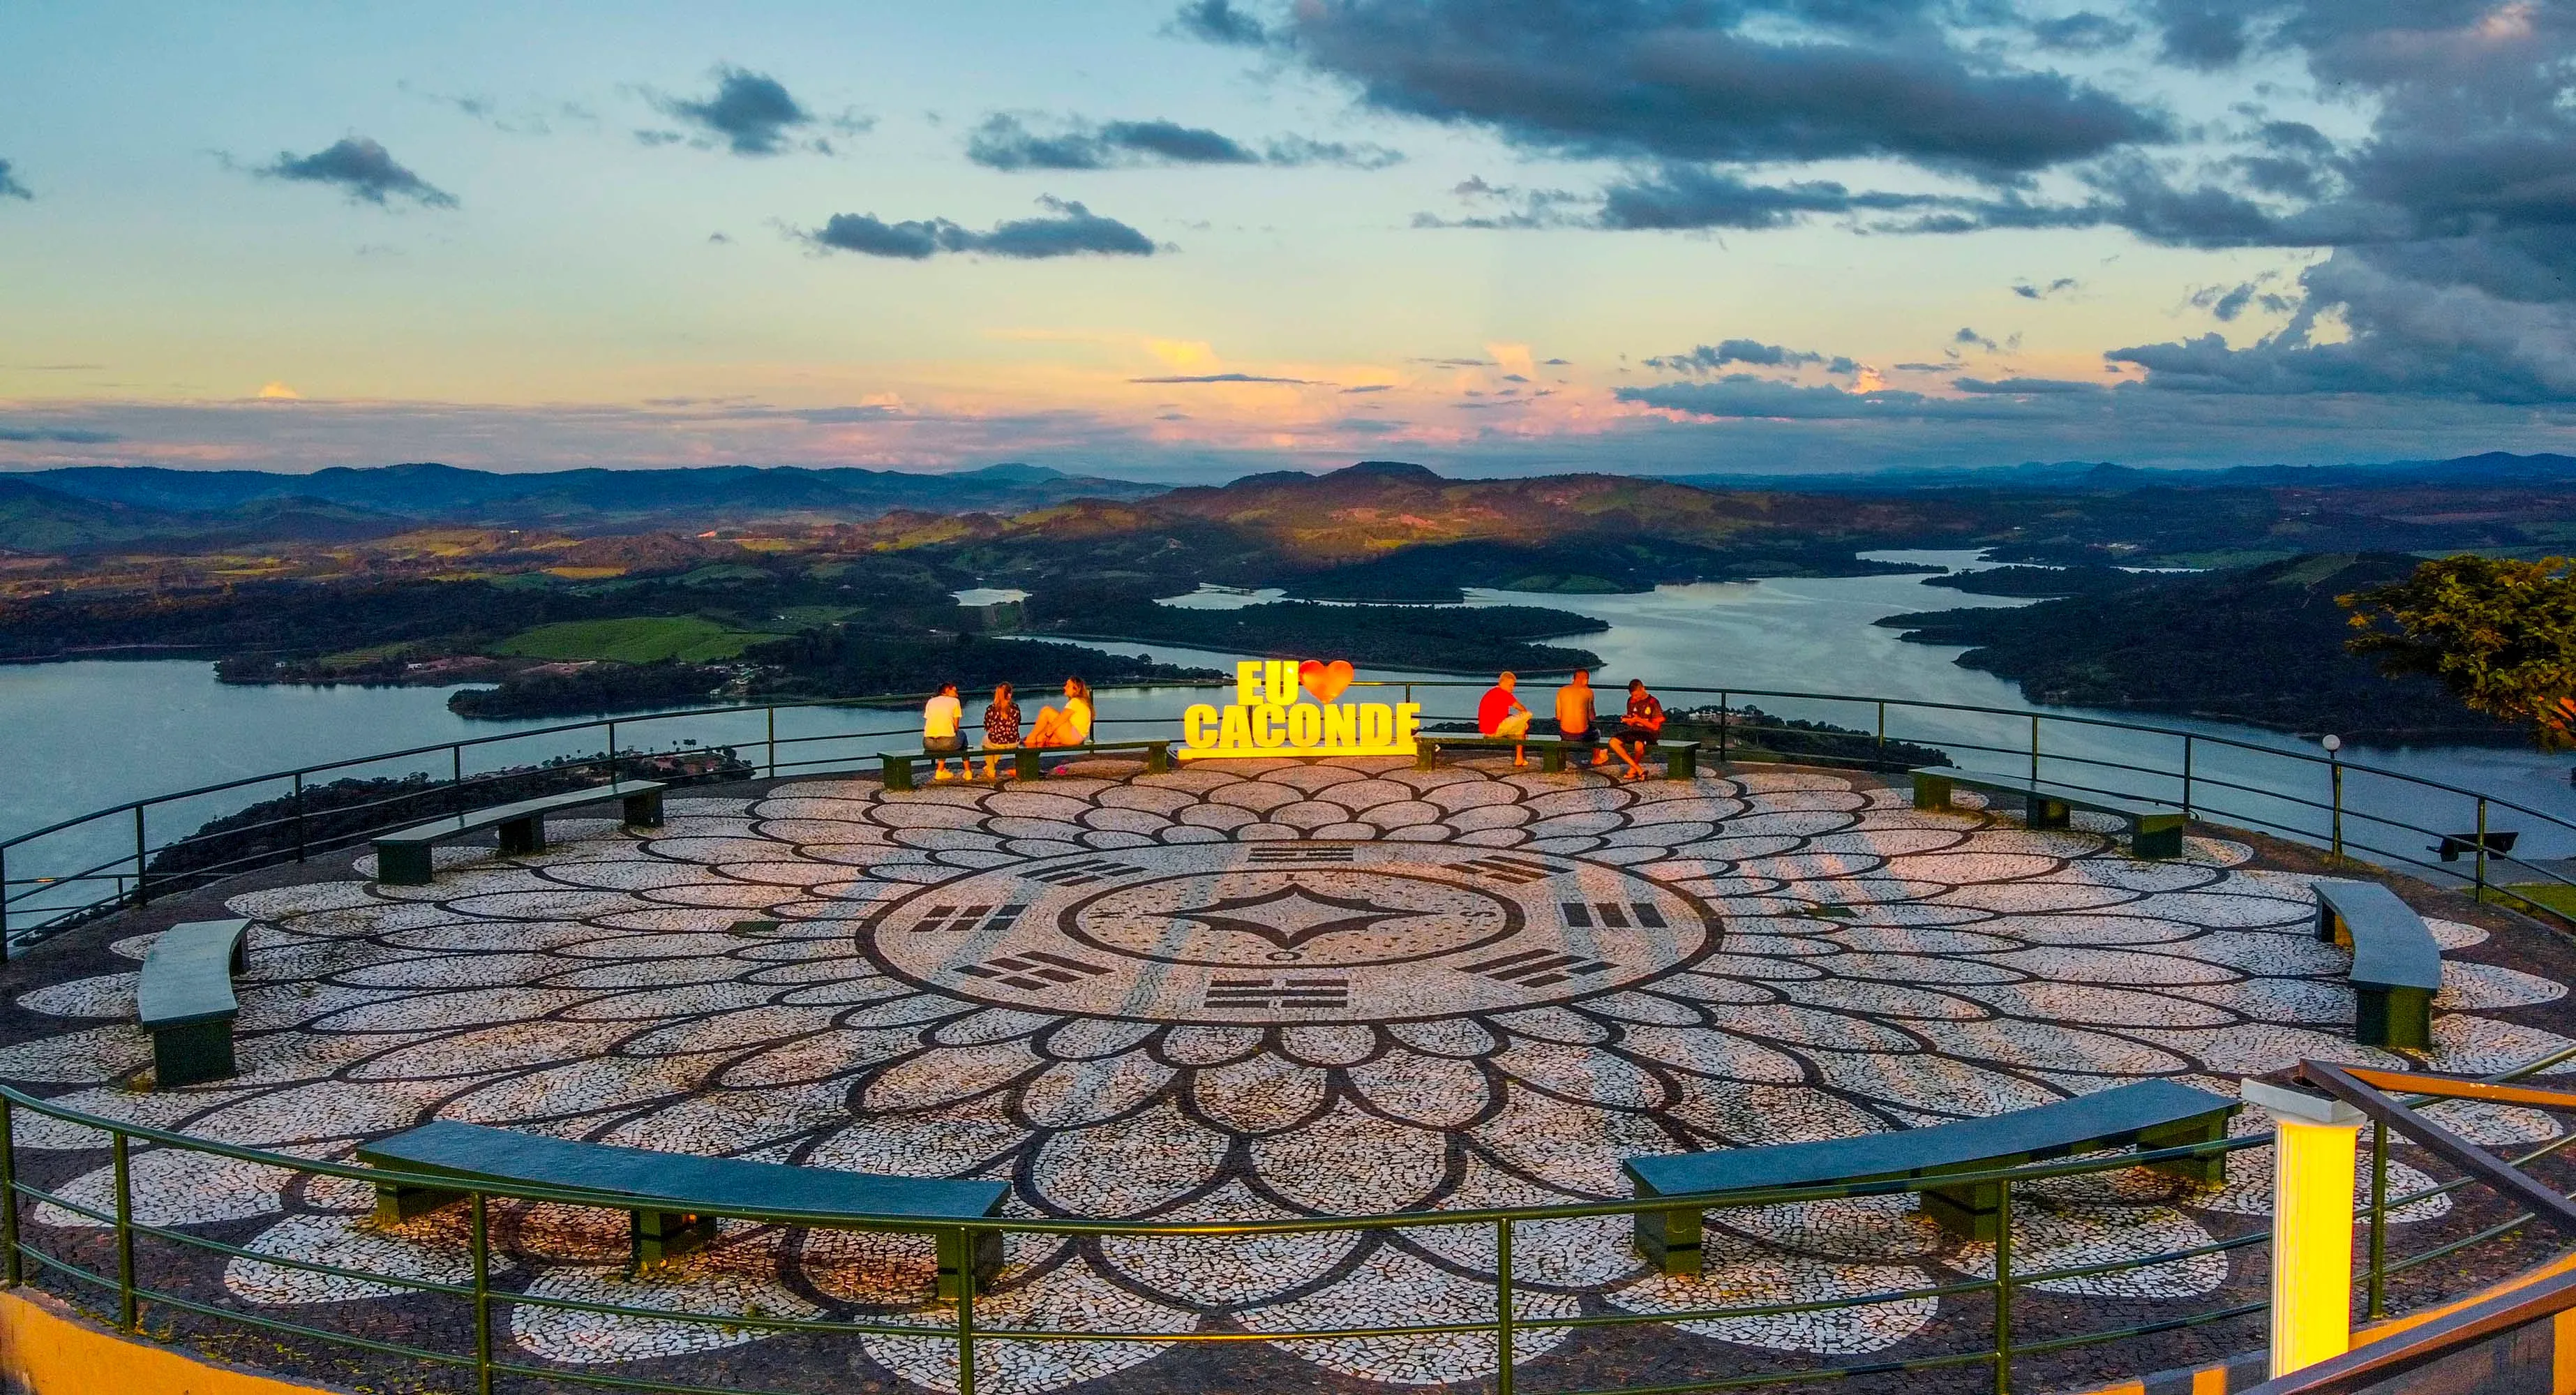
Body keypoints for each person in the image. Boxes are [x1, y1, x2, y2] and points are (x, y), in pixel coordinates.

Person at [1024, 677, 1093, 772]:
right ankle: (1027, 768)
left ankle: (1031, 738)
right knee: (1038, 738)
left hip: (1073, 736)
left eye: (1068, 686)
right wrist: (1046, 734)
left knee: (1046, 711)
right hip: (1077, 737)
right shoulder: (1081, 702)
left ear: (1075, 689)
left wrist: (1047, 735)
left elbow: (1058, 722)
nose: (1065, 687)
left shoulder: (1075, 702)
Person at [1608, 678, 1665, 780]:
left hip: (1649, 733)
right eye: (1633, 696)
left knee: (1638, 745)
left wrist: (1639, 720)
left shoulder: (1653, 702)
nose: (1635, 698)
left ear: (1643, 689)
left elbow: (1656, 727)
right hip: (1634, 731)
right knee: (1613, 742)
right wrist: (1629, 720)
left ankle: (1633, 769)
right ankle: (1638, 769)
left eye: (1636, 695)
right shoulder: (1631, 701)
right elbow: (1632, 719)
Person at [1476, 671, 1534, 767]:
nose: (1512, 688)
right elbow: (1522, 709)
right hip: (1494, 729)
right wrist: (1525, 721)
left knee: (1521, 727)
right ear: (1502, 683)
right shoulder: (1504, 694)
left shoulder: (1492, 692)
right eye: (1510, 685)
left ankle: (1519, 759)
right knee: (1528, 715)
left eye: (1513, 685)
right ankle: (1519, 758)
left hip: (1487, 729)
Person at [1555, 669, 1608, 767]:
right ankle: (1596, 758)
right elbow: (1592, 717)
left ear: (1573, 679)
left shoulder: (1561, 691)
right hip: (1582, 735)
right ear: (1586, 680)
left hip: (1565, 733)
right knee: (1597, 732)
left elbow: (1558, 717)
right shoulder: (1588, 692)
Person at [922, 680, 964, 780]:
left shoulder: (931, 701)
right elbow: (956, 728)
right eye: (955, 691)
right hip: (947, 743)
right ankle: (968, 770)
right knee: (962, 734)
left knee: (944, 735)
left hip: (928, 743)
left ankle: (940, 770)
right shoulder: (955, 702)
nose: (957, 694)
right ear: (947, 691)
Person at [980, 682, 1021, 782]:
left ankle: (991, 769)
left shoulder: (991, 709)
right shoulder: (1015, 708)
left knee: (986, 741)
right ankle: (991, 766)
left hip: (998, 742)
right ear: (1009, 694)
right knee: (1000, 740)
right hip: (1014, 742)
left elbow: (987, 726)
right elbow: (1018, 722)